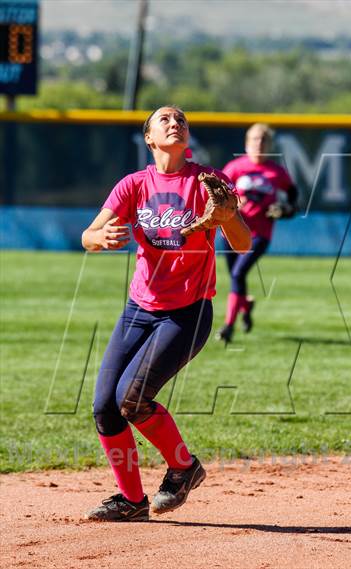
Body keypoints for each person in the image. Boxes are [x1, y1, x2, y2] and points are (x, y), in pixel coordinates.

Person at [81, 106, 251, 522]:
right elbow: (89, 235)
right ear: (149, 138)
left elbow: (243, 242)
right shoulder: (134, 185)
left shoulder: (208, 181)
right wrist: (100, 236)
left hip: (187, 313)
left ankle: (182, 467)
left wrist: (227, 218)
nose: (175, 123)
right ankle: (131, 500)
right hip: (139, 309)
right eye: (165, 120)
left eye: (181, 120)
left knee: (132, 400)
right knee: (105, 406)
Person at [216, 123, 298, 343]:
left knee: (237, 275)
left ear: (269, 144)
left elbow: (292, 196)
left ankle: (228, 326)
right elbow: (218, 195)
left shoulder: (276, 172)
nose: (258, 144)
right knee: (236, 278)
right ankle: (245, 305)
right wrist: (229, 204)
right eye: (254, 139)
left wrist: (286, 209)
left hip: (260, 234)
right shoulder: (234, 168)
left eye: (263, 140)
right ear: (246, 143)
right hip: (232, 232)